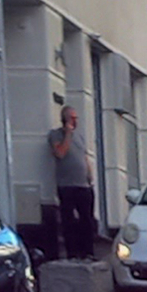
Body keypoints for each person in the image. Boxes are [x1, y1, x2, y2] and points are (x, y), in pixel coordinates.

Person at [49, 104, 96, 260]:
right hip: (66, 185)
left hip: (83, 185)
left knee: (86, 220)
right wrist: (67, 134)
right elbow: (60, 153)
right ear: (65, 119)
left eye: (76, 118)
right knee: (68, 220)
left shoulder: (80, 137)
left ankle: (87, 252)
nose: (75, 121)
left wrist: (89, 174)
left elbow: (84, 156)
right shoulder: (56, 135)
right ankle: (72, 253)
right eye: (72, 118)